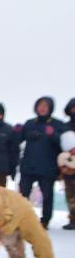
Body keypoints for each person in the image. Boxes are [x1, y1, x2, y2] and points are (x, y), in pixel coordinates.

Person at [16, 96, 63, 229]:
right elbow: (18, 140)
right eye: (40, 106)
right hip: (28, 166)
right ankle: (22, 219)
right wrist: (17, 132)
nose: (42, 108)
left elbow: (62, 143)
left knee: (47, 195)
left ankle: (45, 220)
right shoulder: (30, 123)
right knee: (23, 195)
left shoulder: (57, 124)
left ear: (50, 108)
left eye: (45, 106)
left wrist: (53, 134)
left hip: (48, 168)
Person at [62, 98, 75, 230]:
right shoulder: (65, 127)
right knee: (70, 194)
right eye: (73, 108)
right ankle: (73, 219)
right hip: (69, 165)